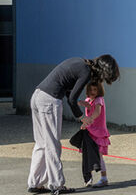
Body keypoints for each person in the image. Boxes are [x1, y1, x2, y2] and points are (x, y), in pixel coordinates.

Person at [28, 54, 120, 195]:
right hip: (50, 101)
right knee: (53, 144)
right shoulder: (86, 71)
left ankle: (35, 183)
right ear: (103, 70)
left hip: (37, 96)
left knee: (41, 143)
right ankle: (57, 185)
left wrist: (77, 106)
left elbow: (68, 89)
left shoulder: (79, 62)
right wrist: (82, 117)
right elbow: (72, 98)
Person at [78, 82, 110, 187]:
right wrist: (82, 103)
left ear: (99, 90)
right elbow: (88, 106)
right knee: (88, 155)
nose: (93, 92)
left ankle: (104, 178)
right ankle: (89, 178)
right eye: (91, 90)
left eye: (95, 90)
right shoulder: (89, 99)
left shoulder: (99, 100)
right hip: (90, 131)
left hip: (98, 132)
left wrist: (89, 119)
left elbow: (97, 111)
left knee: (99, 156)